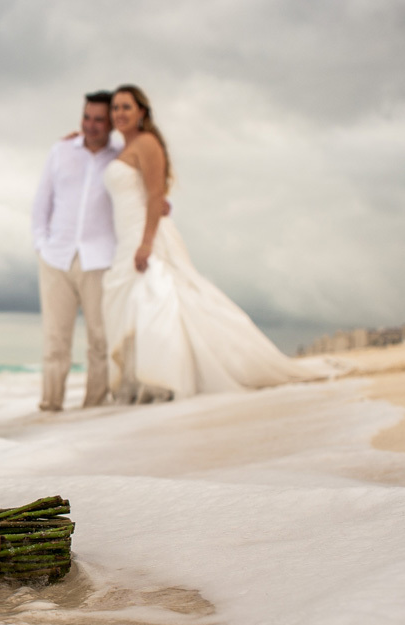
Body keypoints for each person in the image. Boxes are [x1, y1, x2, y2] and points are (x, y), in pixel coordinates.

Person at [100, 84, 329, 402]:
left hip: (146, 236)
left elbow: (155, 196)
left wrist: (146, 243)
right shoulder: (123, 150)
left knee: (157, 300)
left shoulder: (147, 144)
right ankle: (145, 382)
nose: (119, 113)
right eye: (115, 108)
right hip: (127, 236)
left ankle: (168, 378)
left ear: (142, 112)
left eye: (126, 107)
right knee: (139, 305)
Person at [31, 91, 118, 411]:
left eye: (99, 119)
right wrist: (41, 244)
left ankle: (93, 408)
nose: (91, 125)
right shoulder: (61, 151)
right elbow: (42, 203)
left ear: (110, 122)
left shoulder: (121, 155)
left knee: (100, 340)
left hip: (101, 259)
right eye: (86, 117)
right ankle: (49, 406)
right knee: (55, 341)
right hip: (56, 258)